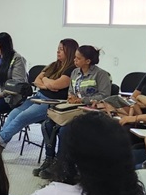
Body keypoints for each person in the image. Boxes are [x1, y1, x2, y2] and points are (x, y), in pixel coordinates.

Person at [38, 45, 112, 179]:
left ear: (88, 61)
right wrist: (71, 98)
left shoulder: (101, 74)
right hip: (73, 110)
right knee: (47, 125)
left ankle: (62, 166)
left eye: (78, 58)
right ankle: (49, 160)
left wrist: (83, 99)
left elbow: (105, 96)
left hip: (90, 113)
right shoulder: (75, 73)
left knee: (64, 130)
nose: (75, 61)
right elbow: (71, 91)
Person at [0, 39, 79, 148]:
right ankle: (1, 142)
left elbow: (56, 85)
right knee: (14, 113)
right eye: (57, 49)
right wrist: (47, 84)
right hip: (38, 97)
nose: (58, 52)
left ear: (69, 52)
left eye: (61, 50)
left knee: (22, 117)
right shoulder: (54, 65)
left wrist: (46, 80)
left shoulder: (72, 70)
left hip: (52, 103)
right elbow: (37, 80)